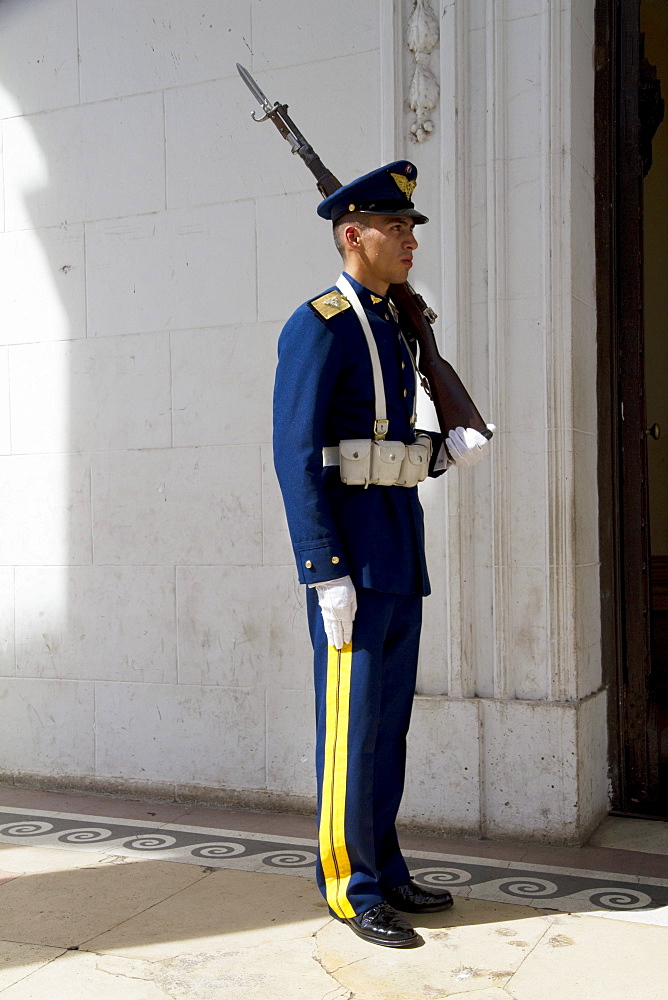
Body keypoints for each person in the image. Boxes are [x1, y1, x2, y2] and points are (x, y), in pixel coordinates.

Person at [273, 161, 490, 948]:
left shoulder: (396, 325)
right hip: (351, 563)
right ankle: (350, 884)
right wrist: (320, 569)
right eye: (396, 228)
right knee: (350, 727)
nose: (410, 241)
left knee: (389, 724)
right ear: (352, 233)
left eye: (411, 228)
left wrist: (442, 447)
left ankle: (387, 865)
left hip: (399, 543)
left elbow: (385, 440)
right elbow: (296, 454)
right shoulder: (320, 323)